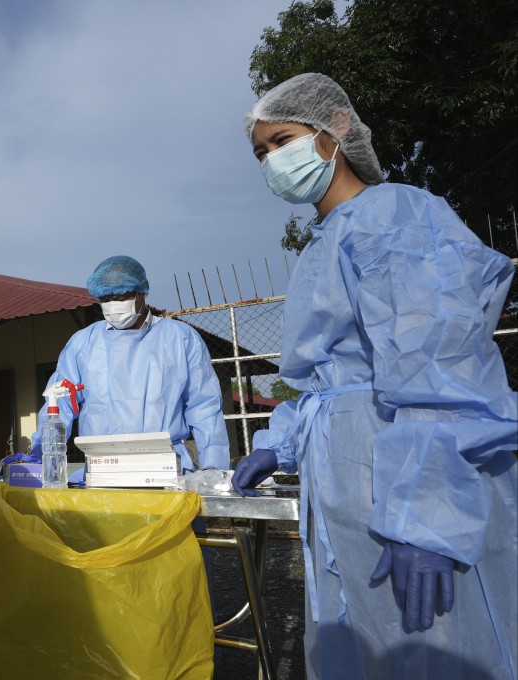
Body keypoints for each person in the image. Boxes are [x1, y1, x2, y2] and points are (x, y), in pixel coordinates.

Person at [232, 73, 517, 679]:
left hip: (404, 477)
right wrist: (279, 442)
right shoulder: (321, 243)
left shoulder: (396, 214)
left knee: (433, 644)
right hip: (341, 480)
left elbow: (439, 364)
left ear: (335, 128)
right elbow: (324, 376)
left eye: (281, 140)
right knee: (358, 636)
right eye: (261, 153)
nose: (271, 161)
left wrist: (427, 512)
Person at [28, 255, 230, 476]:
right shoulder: (83, 343)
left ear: (142, 293)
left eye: (122, 296)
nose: (114, 304)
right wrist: (42, 449)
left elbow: (204, 406)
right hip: (102, 467)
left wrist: (213, 466)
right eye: (106, 298)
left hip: (166, 467)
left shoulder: (179, 338)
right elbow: (59, 403)